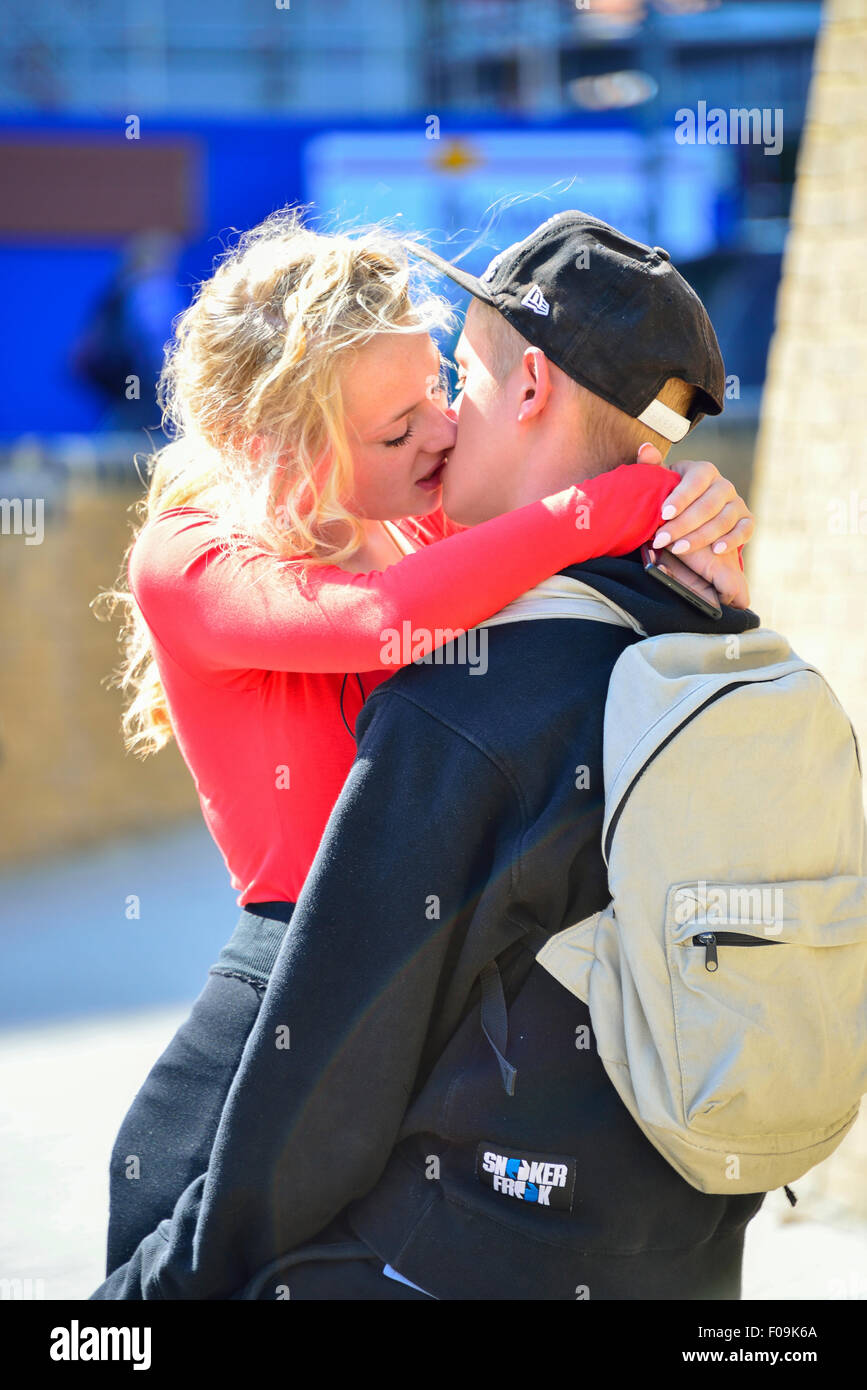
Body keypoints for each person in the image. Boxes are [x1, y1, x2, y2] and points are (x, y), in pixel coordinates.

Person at [93, 210, 763, 1301]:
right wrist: (632, 497)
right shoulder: (193, 552)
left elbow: (542, 553)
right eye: (399, 429)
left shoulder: (412, 521)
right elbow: (380, 622)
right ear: (278, 447)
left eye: (441, 392)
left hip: (404, 964)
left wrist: (696, 514)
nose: (442, 435)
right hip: (282, 973)